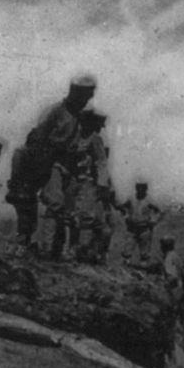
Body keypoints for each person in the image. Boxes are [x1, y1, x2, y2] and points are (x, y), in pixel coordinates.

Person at [6, 75, 96, 258]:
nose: (86, 100)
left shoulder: (77, 117)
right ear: (75, 93)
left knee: (59, 206)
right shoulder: (55, 111)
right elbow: (36, 138)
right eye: (84, 96)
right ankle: (37, 246)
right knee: (39, 203)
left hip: (61, 165)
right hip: (42, 162)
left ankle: (50, 249)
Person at [74, 109, 114, 263]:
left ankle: (85, 252)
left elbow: (101, 162)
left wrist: (102, 185)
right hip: (75, 181)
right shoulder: (76, 136)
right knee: (74, 216)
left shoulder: (95, 138)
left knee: (87, 217)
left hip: (88, 182)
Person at [122, 182, 163, 265]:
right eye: (138, 188)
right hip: (132, 228)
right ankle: (126, 265)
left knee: (144, 250)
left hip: (144, 228)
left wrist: (154, 220)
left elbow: (160, 211)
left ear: (146, 189)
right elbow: (123, 207)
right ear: (136, 188)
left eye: (142, 188)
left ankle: (143, 266)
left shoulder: (149, 200)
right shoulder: (131, 198)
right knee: (128, 248)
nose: (140, 190)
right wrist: (126, 216)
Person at [160, 235, 184, 306]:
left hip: (173, 288)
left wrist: (163, 282)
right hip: (177, 285)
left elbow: (173, 276)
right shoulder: (174, 255)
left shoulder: (169, 258)